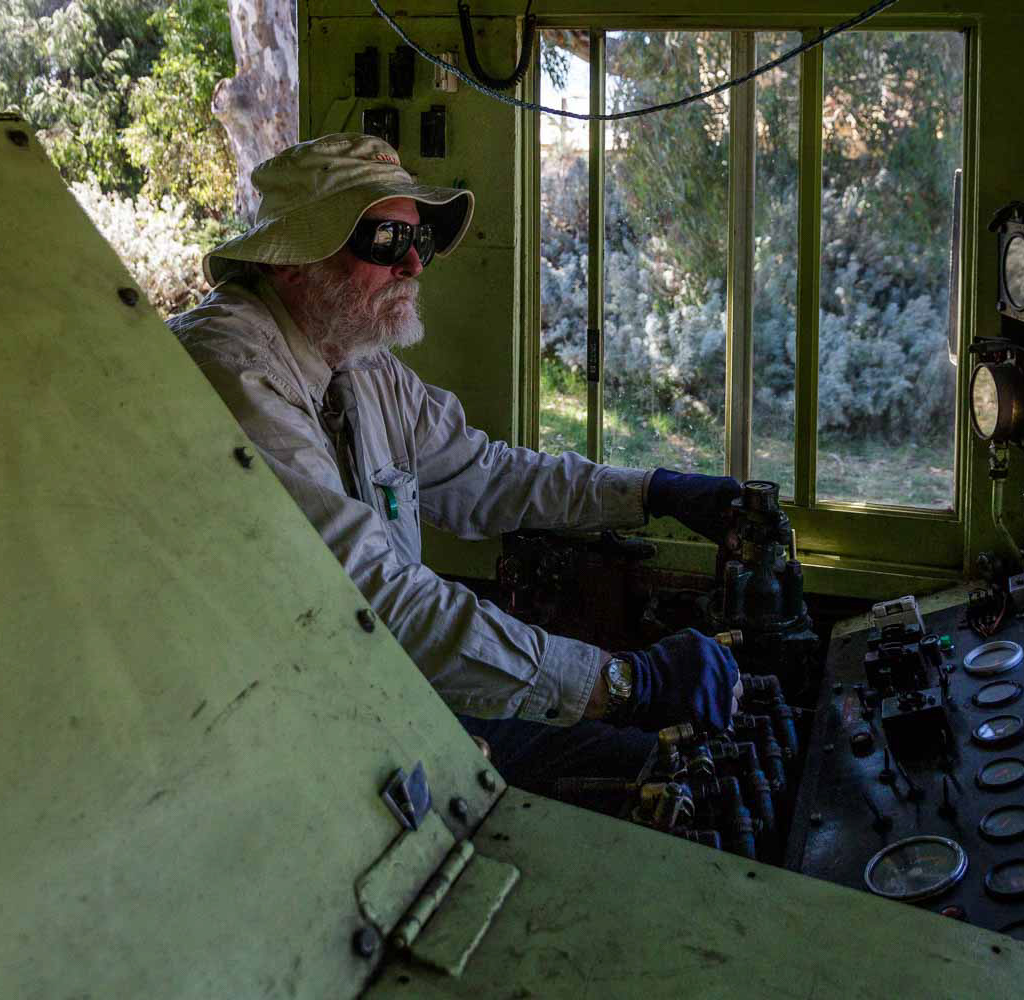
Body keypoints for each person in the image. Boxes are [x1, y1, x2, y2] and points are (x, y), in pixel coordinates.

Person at [169, 133, 742, 794]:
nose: (414, 265)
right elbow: (366, 594)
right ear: (293, 260)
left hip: (369, 687)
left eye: (421, 240)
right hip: (263, 726)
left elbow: (486, 476)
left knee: (644, 765)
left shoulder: (358, 362)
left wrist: (655, 492)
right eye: (388, 241)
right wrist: (616, 683)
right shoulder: (232, 370)